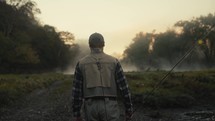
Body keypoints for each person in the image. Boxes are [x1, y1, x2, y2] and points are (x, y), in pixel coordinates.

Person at [72, 32, 133, 121]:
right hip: (110, 106)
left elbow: (77, 92)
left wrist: (77, 113)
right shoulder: (114, 62)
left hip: (90, 107)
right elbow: (124, 88)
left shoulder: (81, 63)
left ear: (89, 45)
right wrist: (129, 110)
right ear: (103, 44)